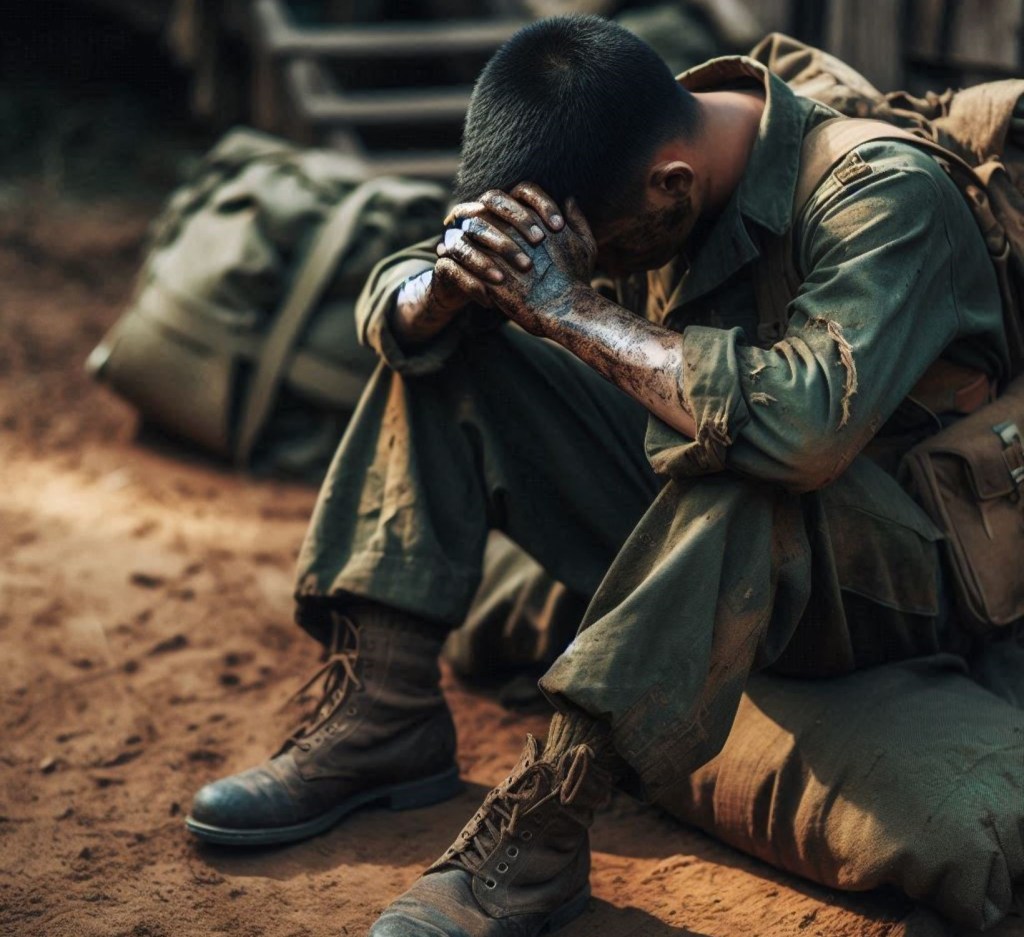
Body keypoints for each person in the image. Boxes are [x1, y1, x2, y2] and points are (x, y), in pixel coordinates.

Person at [186, 14, 1008, 936]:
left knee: (743, 457)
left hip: (906, 567)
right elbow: (408, 293)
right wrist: (449, 289)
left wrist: (569, 308)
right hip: (716, 527)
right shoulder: (621, 155)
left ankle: (545, 831)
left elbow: (804, 430)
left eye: (603, 250)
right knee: (455, 341)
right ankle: (385, 714)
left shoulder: (882, 196)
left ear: (671, 186)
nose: (592, 268)